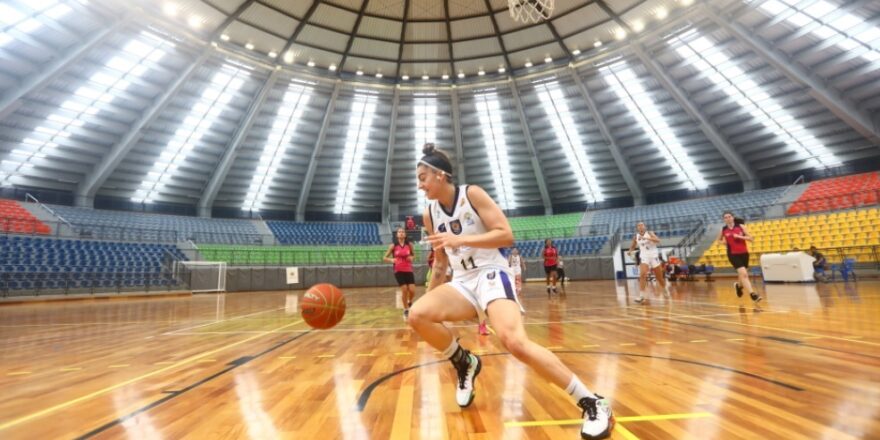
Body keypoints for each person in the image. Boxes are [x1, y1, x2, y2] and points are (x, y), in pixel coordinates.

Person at [408, 144, 614, 439]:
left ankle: (593, 402)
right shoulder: (429, 213)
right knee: (417, 314)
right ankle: (464, 362)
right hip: (463, 281)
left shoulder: (472, 194)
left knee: (514, 341)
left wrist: (461, 238)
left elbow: (506, 235)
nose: (419, 184)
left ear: (441, 175)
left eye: (422, 177)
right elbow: (440, 265)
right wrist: (429, 297)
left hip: (491, 272)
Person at [716, 212, 762, 303]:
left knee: (743, 274)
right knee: (744, 274)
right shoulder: (723, 230)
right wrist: (723, 243)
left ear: (733, 217)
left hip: (744, 253)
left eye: (729, 216)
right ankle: (753, 295)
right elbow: (718, 240)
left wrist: (740, 237)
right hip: (732, 254)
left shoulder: (741, 227)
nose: (728, 218)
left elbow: (751, 239)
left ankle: (739, 286)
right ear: (724, 220)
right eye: (725, 217)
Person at [626, 222, 670, 303]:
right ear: (637, 228)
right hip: (644, 257)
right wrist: (629, 251)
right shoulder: (636, 236)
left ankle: (664, 288)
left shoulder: (650, 233)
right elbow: (633, 246)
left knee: (659, 277)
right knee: (642, 274)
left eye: (642, 225)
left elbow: (658, 240)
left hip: (653, 256)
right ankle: (641, 295)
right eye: (638, 225)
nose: (640, 226)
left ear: (645, 227)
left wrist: (648, 238)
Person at [384, 227, 416, 320]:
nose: (401, 233)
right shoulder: (393, 246)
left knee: (412, 290)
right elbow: (384, 257)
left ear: (405, 234)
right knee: (405, 290)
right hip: (398, 270)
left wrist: (412, 258)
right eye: (399, 232)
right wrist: (391, 259)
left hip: (408, 269)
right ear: (397, 235)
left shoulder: (409, 245)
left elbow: (414, 255)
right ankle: (406, 309)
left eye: (403, 232)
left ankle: (410, 301)